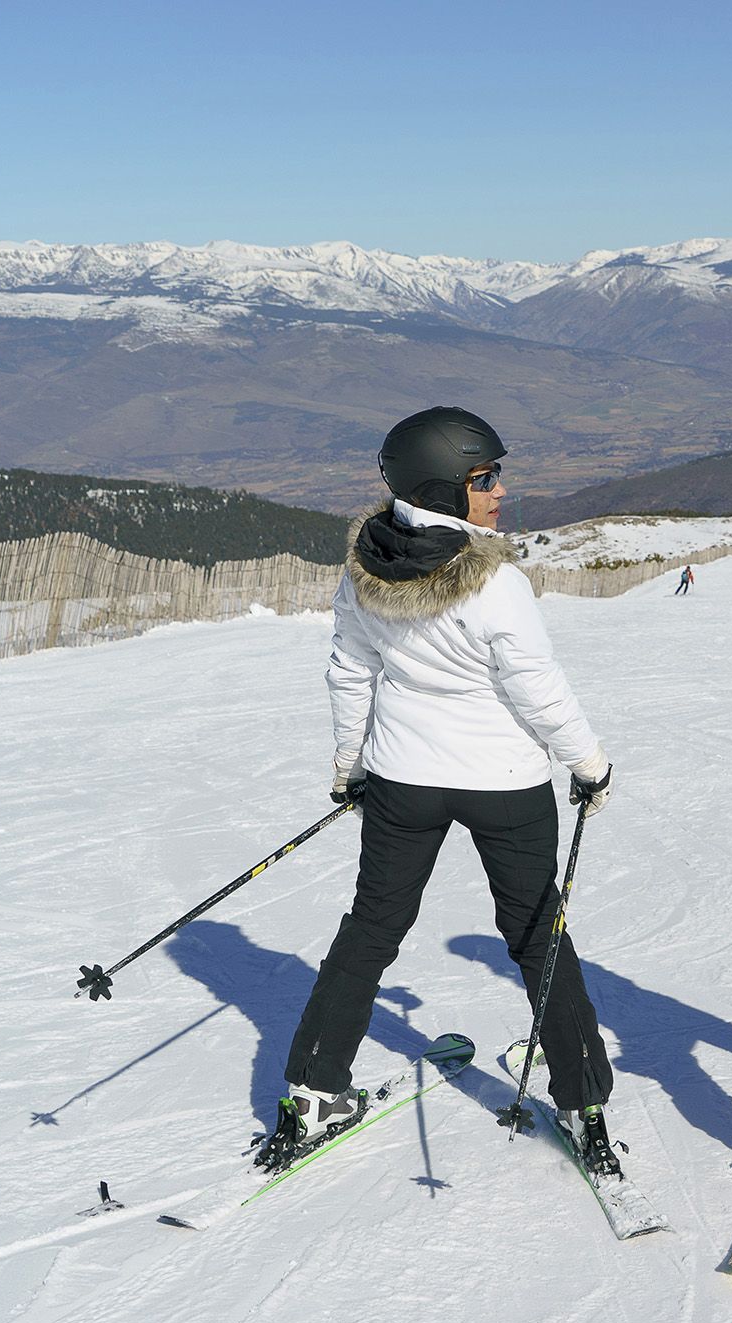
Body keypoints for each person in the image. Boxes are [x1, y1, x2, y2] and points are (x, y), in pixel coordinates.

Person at [260, 406, 625, 1178]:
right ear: (443, 488)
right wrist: (588, 763)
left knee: (370, 931)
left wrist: (349, 764)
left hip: (403, 780)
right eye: (483, 479)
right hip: (505, 787)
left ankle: (313, 1090)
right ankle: (583, 1104)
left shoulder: (365, 568)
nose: (499, 490)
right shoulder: (498, 583)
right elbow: (538, 690)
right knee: (536, 935)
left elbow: (350, 668)